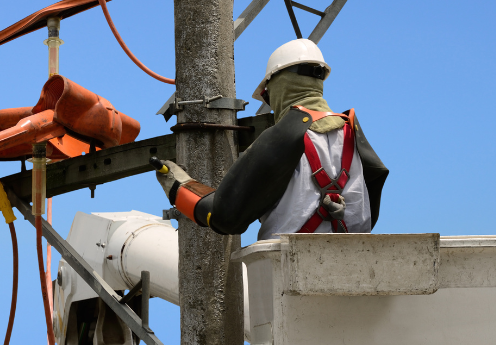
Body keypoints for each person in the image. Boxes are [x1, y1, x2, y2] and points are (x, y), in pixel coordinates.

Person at [154, 39, 388, 241]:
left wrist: (178, 186)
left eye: (266, 96)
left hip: (284, 272)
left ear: (278, 86)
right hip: (358, 265)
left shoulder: (280, 137)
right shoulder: (353, 134)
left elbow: (224, 217)